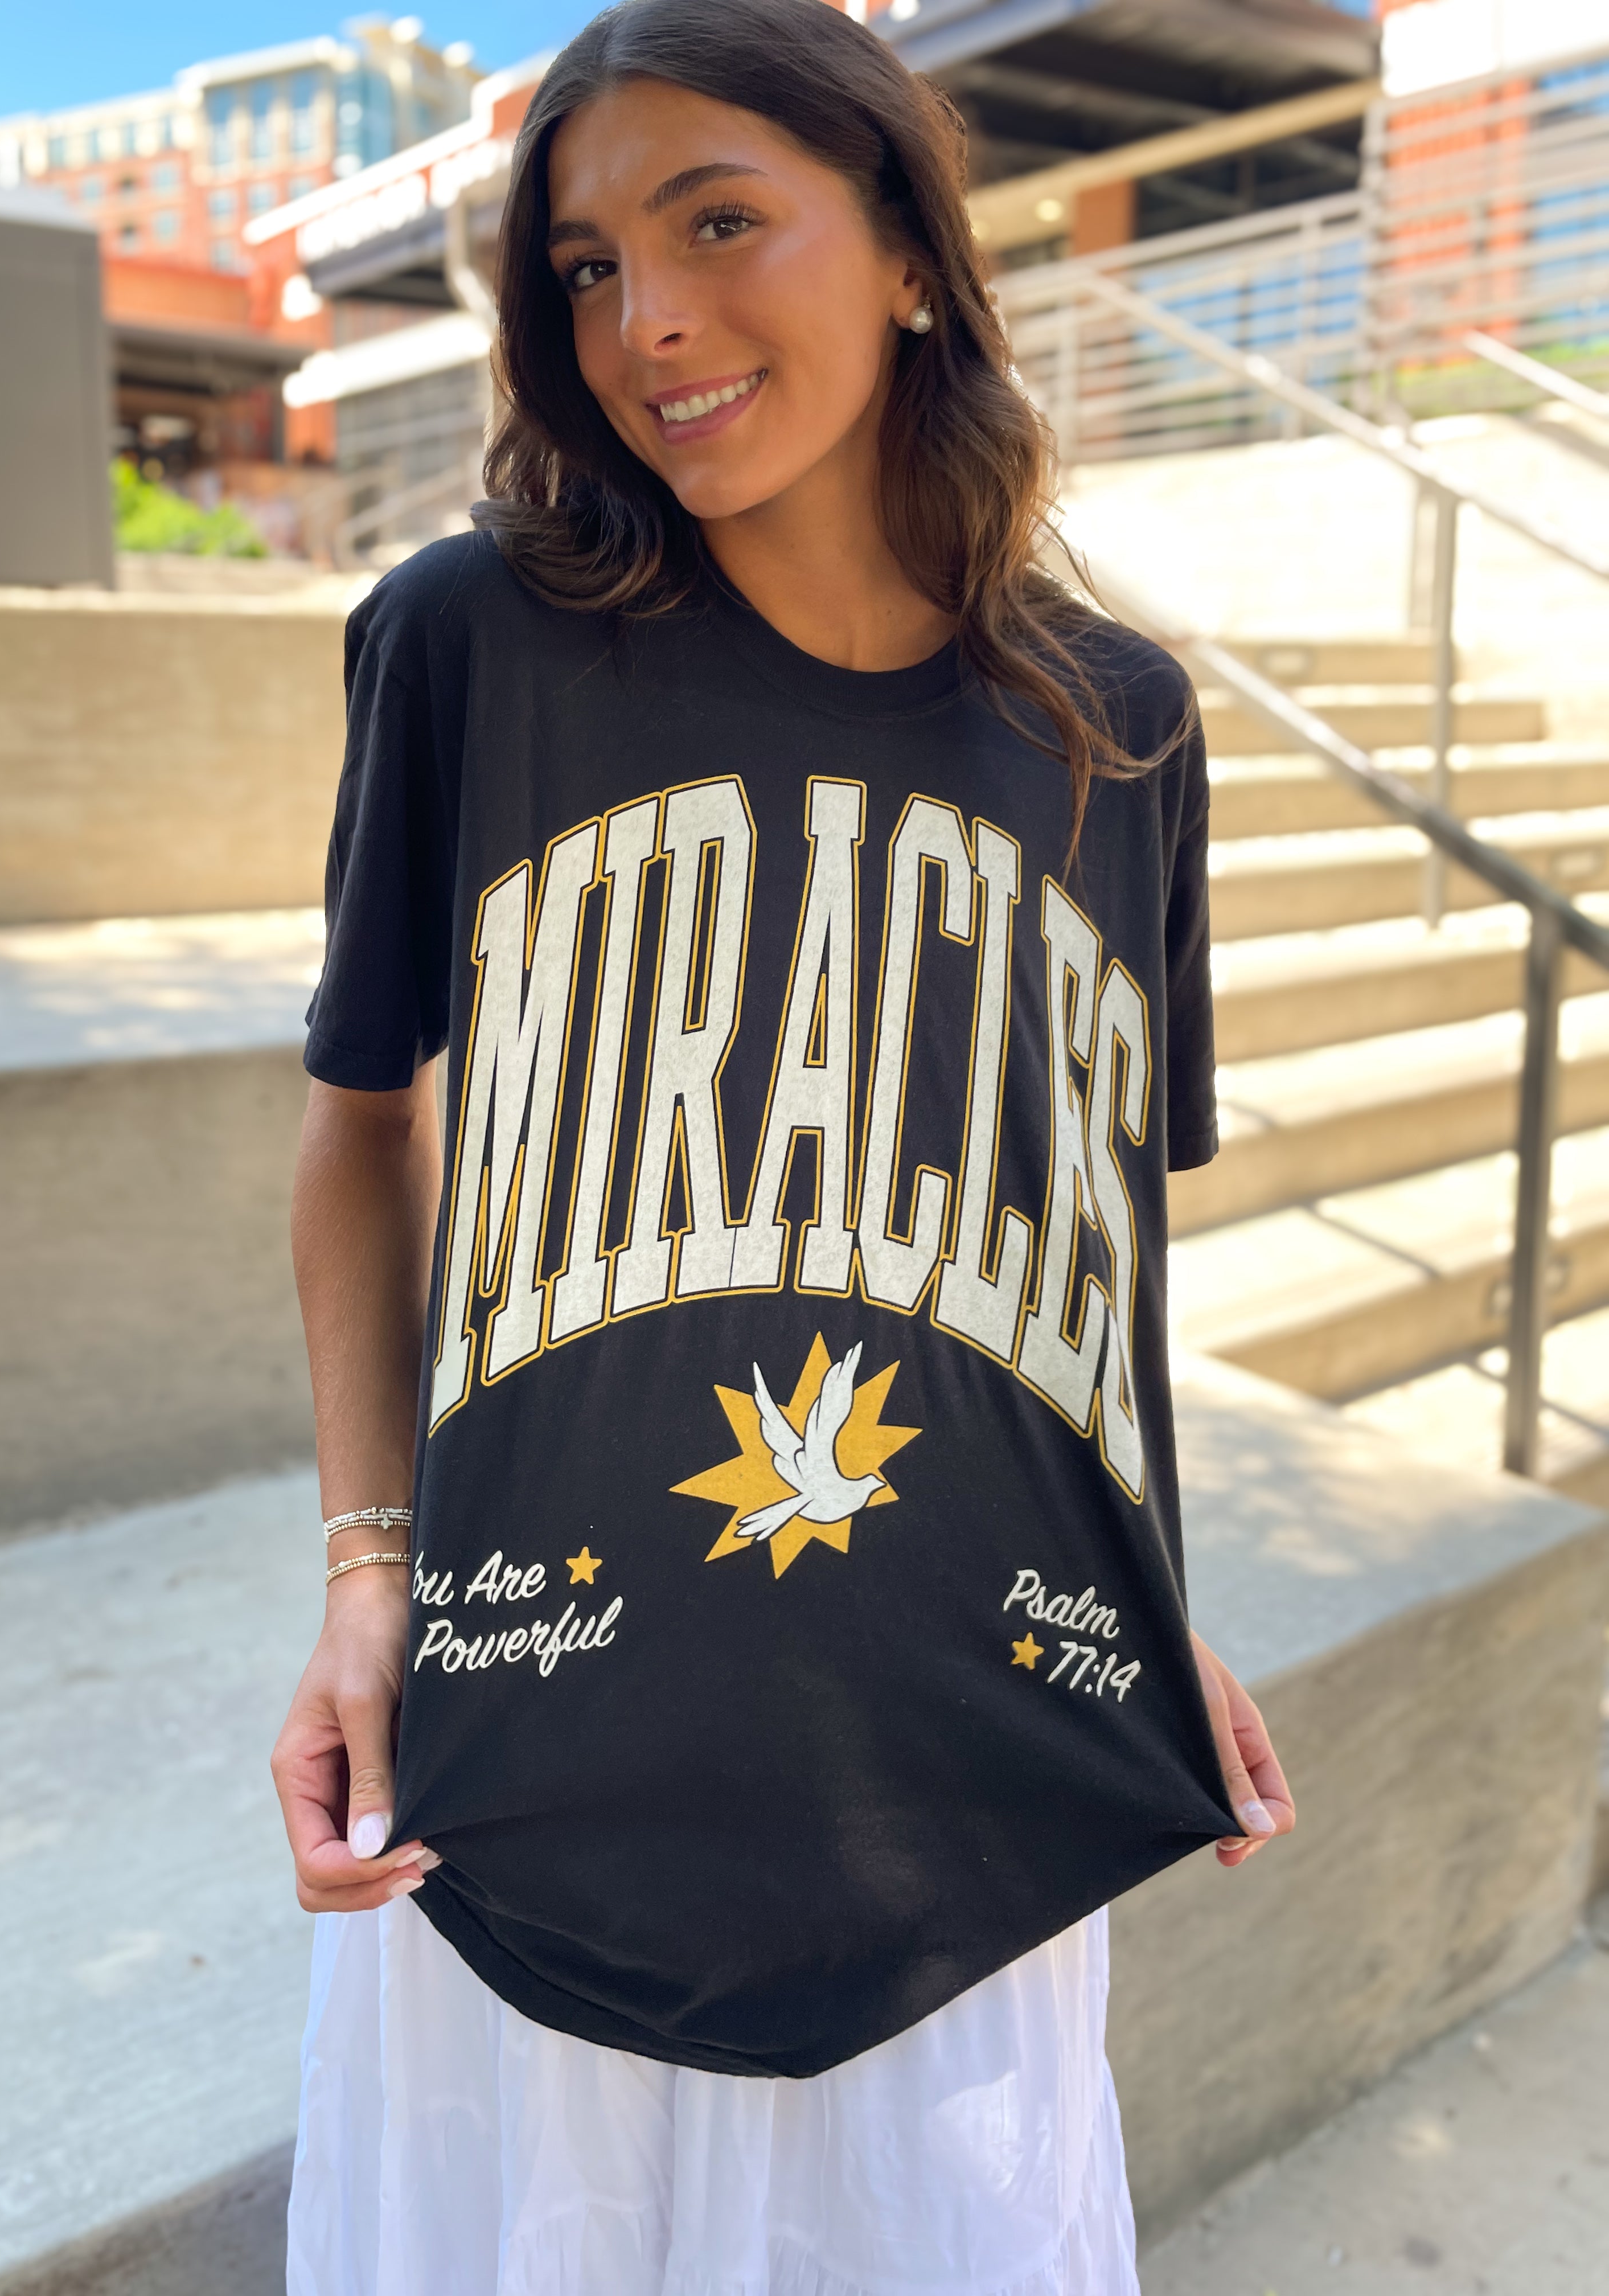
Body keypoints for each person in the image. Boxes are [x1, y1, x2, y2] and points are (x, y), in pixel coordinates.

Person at [272, 2, 1295, 2288]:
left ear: (913, 250)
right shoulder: (470, 644)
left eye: (718, 223)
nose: (646, 320)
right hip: (539, 1758)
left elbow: (1083, 1245)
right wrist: (366, 1569)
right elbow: (361, 1128)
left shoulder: (1119, 725)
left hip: (959, 1796)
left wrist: (1139, 1598)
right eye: (587, 267)